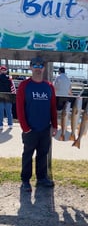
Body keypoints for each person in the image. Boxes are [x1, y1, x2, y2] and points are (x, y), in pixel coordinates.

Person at [16, 56, 58, 192]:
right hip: (30, 129)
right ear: (30, 67)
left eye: (41, 66)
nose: (38, 68)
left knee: (43, 154)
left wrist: (55, 125)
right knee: (27, 155)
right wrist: (25, 128)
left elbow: (53, 107)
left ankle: (41, 178)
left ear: (44, 68)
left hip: (45, 128)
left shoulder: (49, 87)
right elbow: (19, 108)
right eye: (35, 65)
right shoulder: (24, 86)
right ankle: (25, 180)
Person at [0, 65, 16, 130]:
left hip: (0, 96)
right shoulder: (9, 78)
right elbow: (13, 88)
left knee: (0, 111)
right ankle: (10, 124)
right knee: (9, 111)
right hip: (8, 96)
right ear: (6, 71)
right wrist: (14, 96)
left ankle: (0, 125)